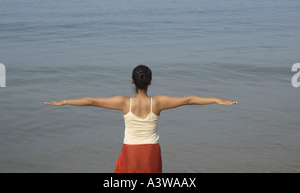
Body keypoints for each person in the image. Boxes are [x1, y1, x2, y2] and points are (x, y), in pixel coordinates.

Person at [44, 64, 238, 173]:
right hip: (151, 151)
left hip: (131, 151)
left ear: (132, 81)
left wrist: (66, 101)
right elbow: (188, 100)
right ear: (150, 82)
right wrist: (215, 99)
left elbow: (93, 101)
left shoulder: (123, 102)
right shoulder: (158, 102)